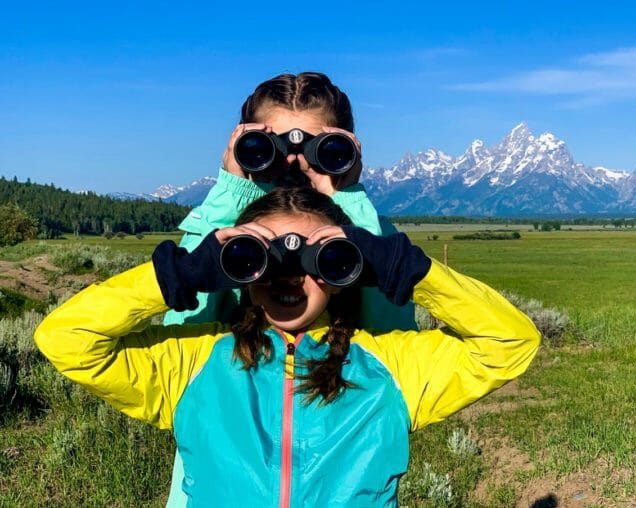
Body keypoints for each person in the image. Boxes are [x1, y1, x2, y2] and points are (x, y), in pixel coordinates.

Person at [35, 186, 541, 506]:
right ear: (236, 268)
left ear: (341, 273)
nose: (290, 278)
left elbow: (512, 342)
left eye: (317, 262)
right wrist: (185, 272)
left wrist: (400, 266)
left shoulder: (390, 368)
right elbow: (64, 339)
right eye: (264, 259)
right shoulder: (193, 363)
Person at [163, 71, 417, 506]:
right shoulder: (225, 233)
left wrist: (349, 203)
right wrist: (231, 197)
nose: (293, 165)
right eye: (271, 147)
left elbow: (394, 343)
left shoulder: (370, 236)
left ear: (346, 149)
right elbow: (183, 319)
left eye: (320, 150)